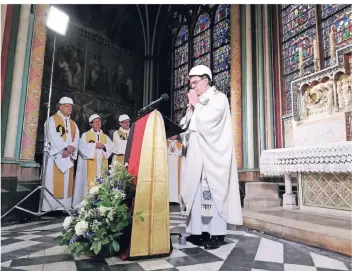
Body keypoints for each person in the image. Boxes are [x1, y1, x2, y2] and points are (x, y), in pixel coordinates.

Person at [179, 65, 243, 250]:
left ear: (206, 81)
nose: (193, 88)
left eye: (196, 83)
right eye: (191, 85)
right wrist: (190, 111)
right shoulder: (196, 102)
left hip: (213, 157)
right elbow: (187, 126)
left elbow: (209, 123)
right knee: (197, 193)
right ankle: (199, 233)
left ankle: (217, 234)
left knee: (213, 192)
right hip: (196, 157)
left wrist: (196, 106)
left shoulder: (219, 98)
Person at [42, 97, 80, 212]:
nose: (69, 108)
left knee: (66, 184)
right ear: (60, 106)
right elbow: (52, 136)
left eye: (71, 106)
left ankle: (65, 207)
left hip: (68, 156)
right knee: (53, 182)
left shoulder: (73, 124)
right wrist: (64, 148)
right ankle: (51, 207)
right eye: (67, 105)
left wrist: (70, 150)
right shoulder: (52, 120)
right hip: (56, 156)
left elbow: (77, 138)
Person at [73, 114, 114, 206]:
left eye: (99, 121)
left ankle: (100, 204)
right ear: (91, 124)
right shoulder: (85, 135)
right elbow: (81, 148)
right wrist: (94, 145)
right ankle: (86, 204)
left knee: (101, 183)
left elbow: (111, 147)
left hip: (101, 165)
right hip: (89, 166)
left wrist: (104, 146)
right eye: (95, 121)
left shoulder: (105, 136)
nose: (98, 123)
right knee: (89, 184)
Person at [167, 136, 182, 203]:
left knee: (176, 182)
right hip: (167, 167)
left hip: (176, 168)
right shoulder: (163, 143)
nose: (174, 135)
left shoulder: (180, 145)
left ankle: (176, 200)